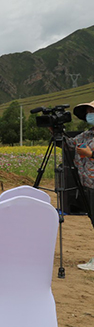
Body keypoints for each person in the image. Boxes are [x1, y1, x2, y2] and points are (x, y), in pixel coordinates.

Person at [66, 100, 94, 271]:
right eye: (88, 112)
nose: (90, 115)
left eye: (92, 111)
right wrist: (56, 131)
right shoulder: (86, 135)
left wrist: (91, 154)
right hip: (88, 184)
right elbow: (71, 144)